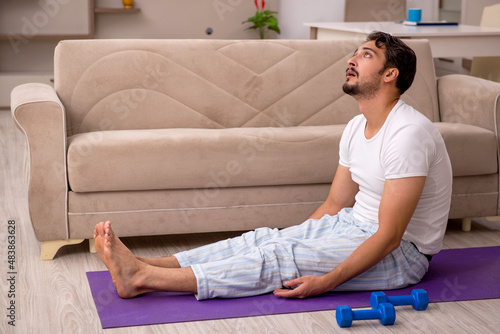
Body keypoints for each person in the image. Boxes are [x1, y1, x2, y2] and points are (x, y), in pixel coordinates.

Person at [93, 31, 452, 300]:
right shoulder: (357, 126)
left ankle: (141, 279)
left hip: (402, 255)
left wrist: (325, 281)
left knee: (279, 257)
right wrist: (290, 239)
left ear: (390, 75)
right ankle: (146, 264)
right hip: (352, 226)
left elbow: (389, 237)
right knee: (265, 239)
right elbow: (333, 205)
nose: (352, 59)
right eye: (354, 52)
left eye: (367, 55)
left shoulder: (408, 134)